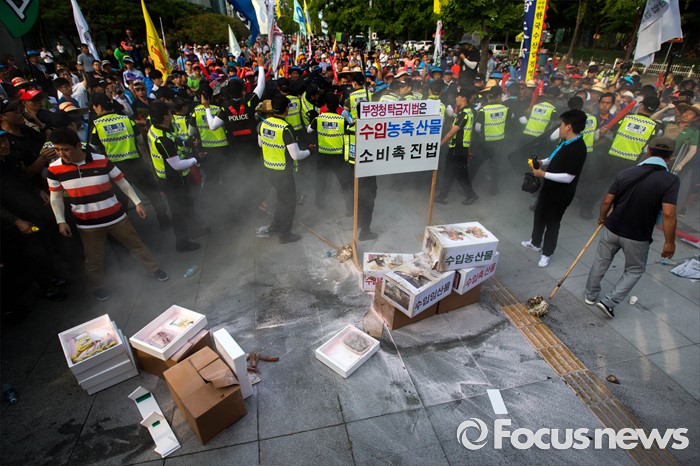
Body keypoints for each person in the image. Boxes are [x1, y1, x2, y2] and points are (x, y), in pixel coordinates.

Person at [47, 127, 169, 301]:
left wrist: (137, 202)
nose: (61, 154)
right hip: (87, 224)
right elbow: (56, 196)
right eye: (57, 149)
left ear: (78, 146)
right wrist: (61, 220)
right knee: (93, 259)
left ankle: (155, 269)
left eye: (65, 149)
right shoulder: (54, 169)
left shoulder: (101, 161)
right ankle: (98, 287)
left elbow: (122, 182)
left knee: (137, 245)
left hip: (116, 217)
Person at [584, 137, 680, 318]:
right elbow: (669, 214)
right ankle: (609, 302)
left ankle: (590, 295)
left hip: (612, 227)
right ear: (670, 156)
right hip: (638, 235)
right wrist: (669, 242)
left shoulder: (627, 172)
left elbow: (607, 200)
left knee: (601, 261)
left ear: (648, 151)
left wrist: (602, 217)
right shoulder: (671, 180)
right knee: (635, 270)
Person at [90, 92, 171, 231]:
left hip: (115, 168)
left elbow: (94, 149)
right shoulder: (127, 120)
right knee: (153, 193)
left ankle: (125, 230)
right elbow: (140, 141)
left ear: (99, 107)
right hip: (136, 163)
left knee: (121, 200)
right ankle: (164, 220)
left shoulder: (96, 126)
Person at [521, 109, 588, 268]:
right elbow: (553, 158)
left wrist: (542, 174)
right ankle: (535, 242)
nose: (559, 127)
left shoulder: (578, 148)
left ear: (569, 127)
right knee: (539, 214)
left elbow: (569, 177)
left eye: (561, 124)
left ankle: (547, 253)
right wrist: (541, 163)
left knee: (552, 222)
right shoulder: (565, 142)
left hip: (561, 194)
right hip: (549, 188)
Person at [147, 101, 205, 252]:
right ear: (165, 117)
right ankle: (182, 242)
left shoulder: (155, 128)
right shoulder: (162, 140)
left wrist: (186, 142)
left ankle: (194, 230)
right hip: (171, 180)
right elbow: (176, 165)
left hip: (173, 177)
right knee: (178, 211)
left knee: (187, 203)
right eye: (169, 113)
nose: (171, 115)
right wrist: (196, 159)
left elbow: (174, 138)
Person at [258, 94, 310, 243]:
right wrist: (310, 151)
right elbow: (296, 155)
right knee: (289, 202)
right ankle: (285, 234)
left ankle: (275, 225)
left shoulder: (263, 124)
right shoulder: (286, 128)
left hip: (268, 169)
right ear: (286, 109)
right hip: (283, 172)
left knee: (281, 199)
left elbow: (261, 144)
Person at [436, 89, 477, 205]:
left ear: (464, 98)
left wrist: (440, 143)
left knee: (455, 173)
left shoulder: (464, 114)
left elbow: (452, 133)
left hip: (458, 148)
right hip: (460, 148)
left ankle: (470, 195)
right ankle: (443, 196)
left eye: (458, 97)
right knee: (455, 173)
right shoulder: (466, 112)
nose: (456, 99)